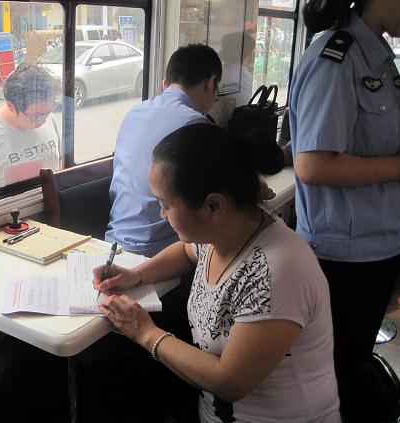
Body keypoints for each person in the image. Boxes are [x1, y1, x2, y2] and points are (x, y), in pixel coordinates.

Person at [95, 123, 341, 423]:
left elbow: (230, 382)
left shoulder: (279, 271)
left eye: (166, 204)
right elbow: (186, 252)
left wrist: (145, 332)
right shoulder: (221, 235)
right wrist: (136, 275)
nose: (162, 213)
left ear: (213, 205)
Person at [289, 1, 400, 421]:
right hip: (344, 256)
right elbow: (313, 165)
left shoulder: (380, 58)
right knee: (336, 369)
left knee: (352, 360)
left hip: (379, 243)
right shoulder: (335, 58)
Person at [105, 44, 223, 258]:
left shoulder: (133, 113)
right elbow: (219, 192)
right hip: (161, 252)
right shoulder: (195, 123)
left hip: (114, 244)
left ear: (165, 83)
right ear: (210, 83)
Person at [0, 65, 61, 193]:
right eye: (36, 116)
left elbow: (59, 164)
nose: (43, 120)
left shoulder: (49, 119)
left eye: (49, 111)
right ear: (11, 106)